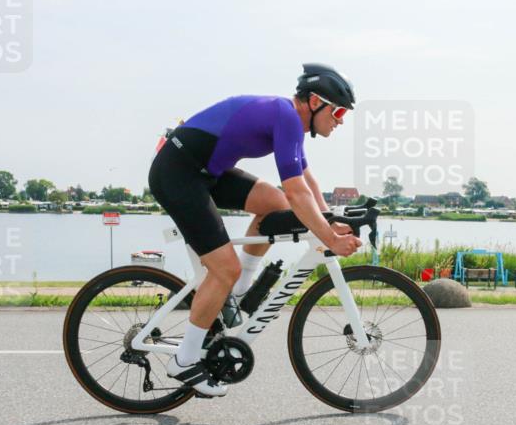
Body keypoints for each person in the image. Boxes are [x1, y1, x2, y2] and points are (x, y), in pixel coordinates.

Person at [148, 63, 362, 397]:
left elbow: (306, 180)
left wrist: (328, 219)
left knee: (276, 204)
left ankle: (238, 291)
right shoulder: (287, 116)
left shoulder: (290, 121)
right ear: (315, 102)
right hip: (179, 173)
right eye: (338, 112)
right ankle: (184, 361)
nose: (340, 121)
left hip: (206, 172)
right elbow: (297, 192)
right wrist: (330, 237)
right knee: (224, 268)